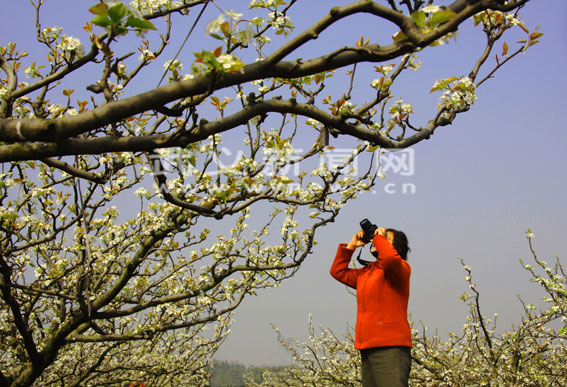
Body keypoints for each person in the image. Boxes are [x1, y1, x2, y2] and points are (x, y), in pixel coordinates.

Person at [330, 226, 412, 387]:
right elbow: (338, 271)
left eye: (385, 237)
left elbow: (390, 260)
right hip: (367, 346)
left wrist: (379, 238)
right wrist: (352, 245)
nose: (377, 238)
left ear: (398, 248)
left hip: (390, 347)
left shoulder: (400, 268)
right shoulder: (367, 273)